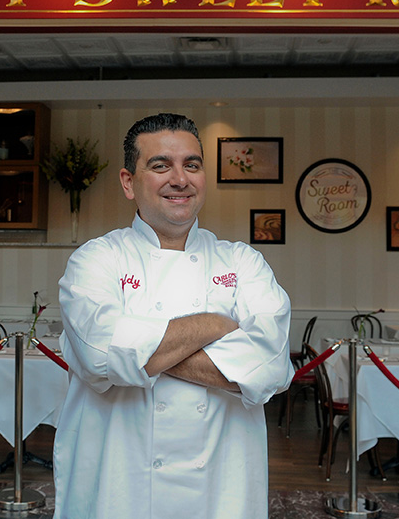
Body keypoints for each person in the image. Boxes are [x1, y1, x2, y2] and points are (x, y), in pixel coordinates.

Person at [52, 113, 294, 519]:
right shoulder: (95, 260)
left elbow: (269, 370)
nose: (179, 179)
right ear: (129, 182)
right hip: (118, 485)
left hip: (220, 487)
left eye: (192, 165)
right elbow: (101, 356)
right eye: (160, 165)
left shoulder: (243, 261)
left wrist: (140, 350)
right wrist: (217, 324)